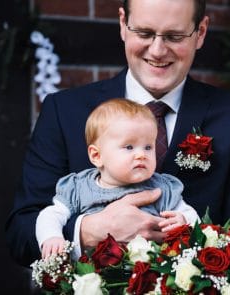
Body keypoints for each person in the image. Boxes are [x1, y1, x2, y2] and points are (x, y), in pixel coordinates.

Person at [6, 0, 230, 267]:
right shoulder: (64, 111)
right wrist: (89, 231)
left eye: (174, 36)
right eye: (144, 33)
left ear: (200, 32)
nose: (157, 50)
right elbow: (20, 234)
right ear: (123, 24)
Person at [36, 99, 199, 259]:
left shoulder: (162, 188)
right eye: (129, 147)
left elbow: (193, 218)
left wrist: (184, 221)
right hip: (93, 277)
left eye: (148, 147)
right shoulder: (79, 188)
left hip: (148, 275)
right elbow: (50, 215)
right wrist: (51, 237)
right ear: (97, 156)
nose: (141, 155)